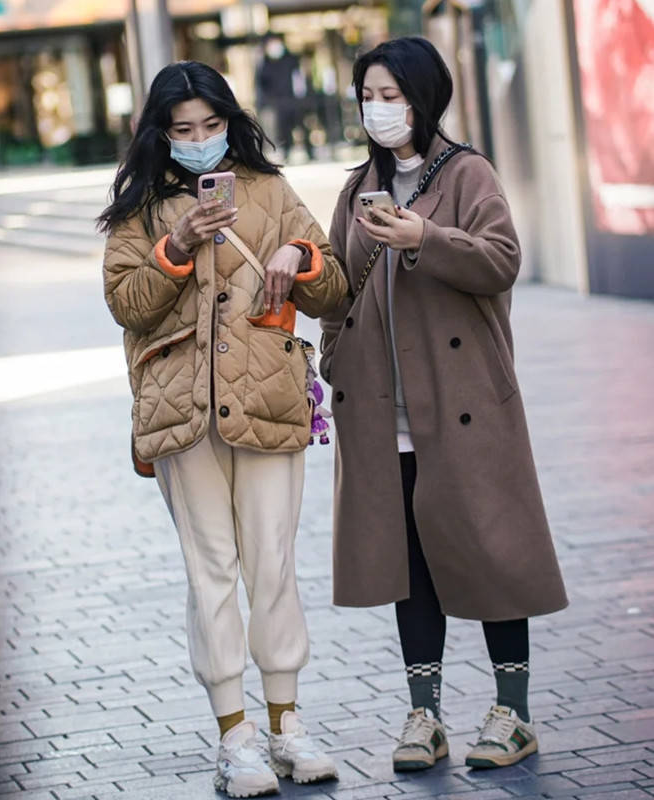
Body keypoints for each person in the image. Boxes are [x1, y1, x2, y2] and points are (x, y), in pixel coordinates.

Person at [99, 61, 346, 798]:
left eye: (211, 126)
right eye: (182, 131)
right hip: (183, 413)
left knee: (271, 564)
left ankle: (288, 727)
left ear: (230, 123)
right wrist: (174, 246)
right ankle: (234, 738)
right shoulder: (139, 208)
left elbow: (334, 283)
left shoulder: (269, 191)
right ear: (159, 133)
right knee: (211, 571)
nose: (199, 141)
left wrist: (296, 255)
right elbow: (127, 304)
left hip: (266, 398)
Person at [320, 37, 568, 773]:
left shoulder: (466, 173)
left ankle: (512, 712)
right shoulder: (354, 186)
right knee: (411, 564)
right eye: (367, 94)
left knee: (491, 548)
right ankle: (423, 714)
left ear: (424, 98)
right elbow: (337, 289)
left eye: (392, 95)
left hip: (462, 405)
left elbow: (500, 261)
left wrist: (425, 235)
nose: (378, 108)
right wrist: (331, 347)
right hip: (381, 409)